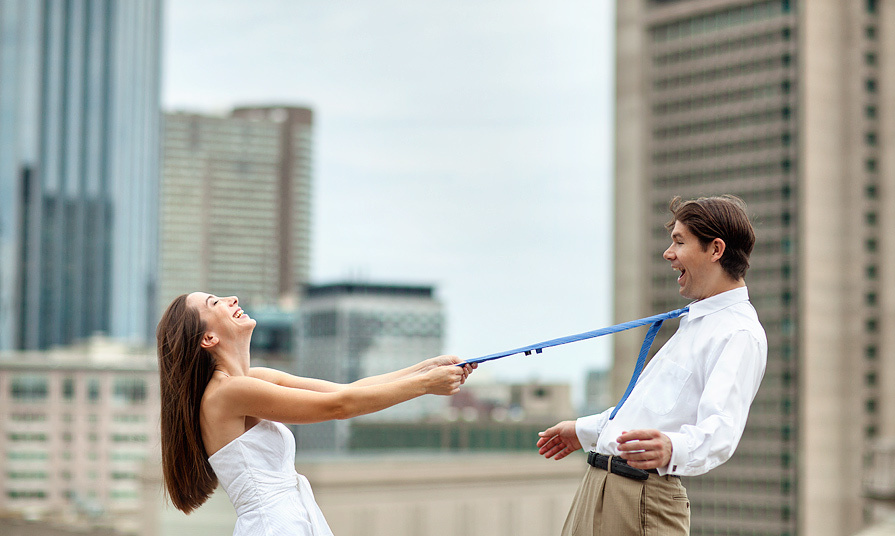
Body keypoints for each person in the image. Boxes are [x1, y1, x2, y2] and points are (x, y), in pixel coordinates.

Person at [537, 195, 767, 536]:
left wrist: (672, 448)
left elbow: (721, 428)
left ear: (716, 249)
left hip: (642, 500)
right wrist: (582, 431)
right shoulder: (697, 322)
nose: (668, 253)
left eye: (679, 241)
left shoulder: (739, 333)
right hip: (600, 488)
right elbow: (648, 412)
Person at [157, 291, 476, 536]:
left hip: (291, 520)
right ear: (208, 338)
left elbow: (344, 391)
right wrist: (424, 385)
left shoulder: (249, 382)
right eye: (216, 303)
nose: (232, 299)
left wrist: (425, 369)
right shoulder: (227, 393)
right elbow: (339, 407)